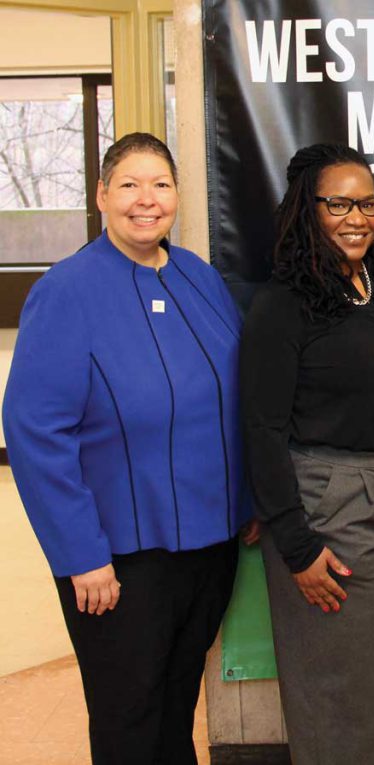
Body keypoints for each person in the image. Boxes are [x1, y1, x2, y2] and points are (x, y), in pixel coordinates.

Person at [2, 132, 253, 764]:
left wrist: (248, 500)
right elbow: (36, 434)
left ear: (178, 197)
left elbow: (236, 402)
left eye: (161, 184)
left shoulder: (200, 279)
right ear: (102, 195)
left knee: (176, 705)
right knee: (128, 717)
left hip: (208, 547)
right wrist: (81, 555)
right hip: (117, 561)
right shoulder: (66, 291)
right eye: (130, 185)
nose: (147, 199)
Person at [241, 143, 374, 765]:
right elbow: (261, 429)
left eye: (369, 202)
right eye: (339, 203)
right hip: (332, 510)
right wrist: (296, 547)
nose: (358, 216)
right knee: (345, 699)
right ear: (308, 210)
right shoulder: (283, 306)